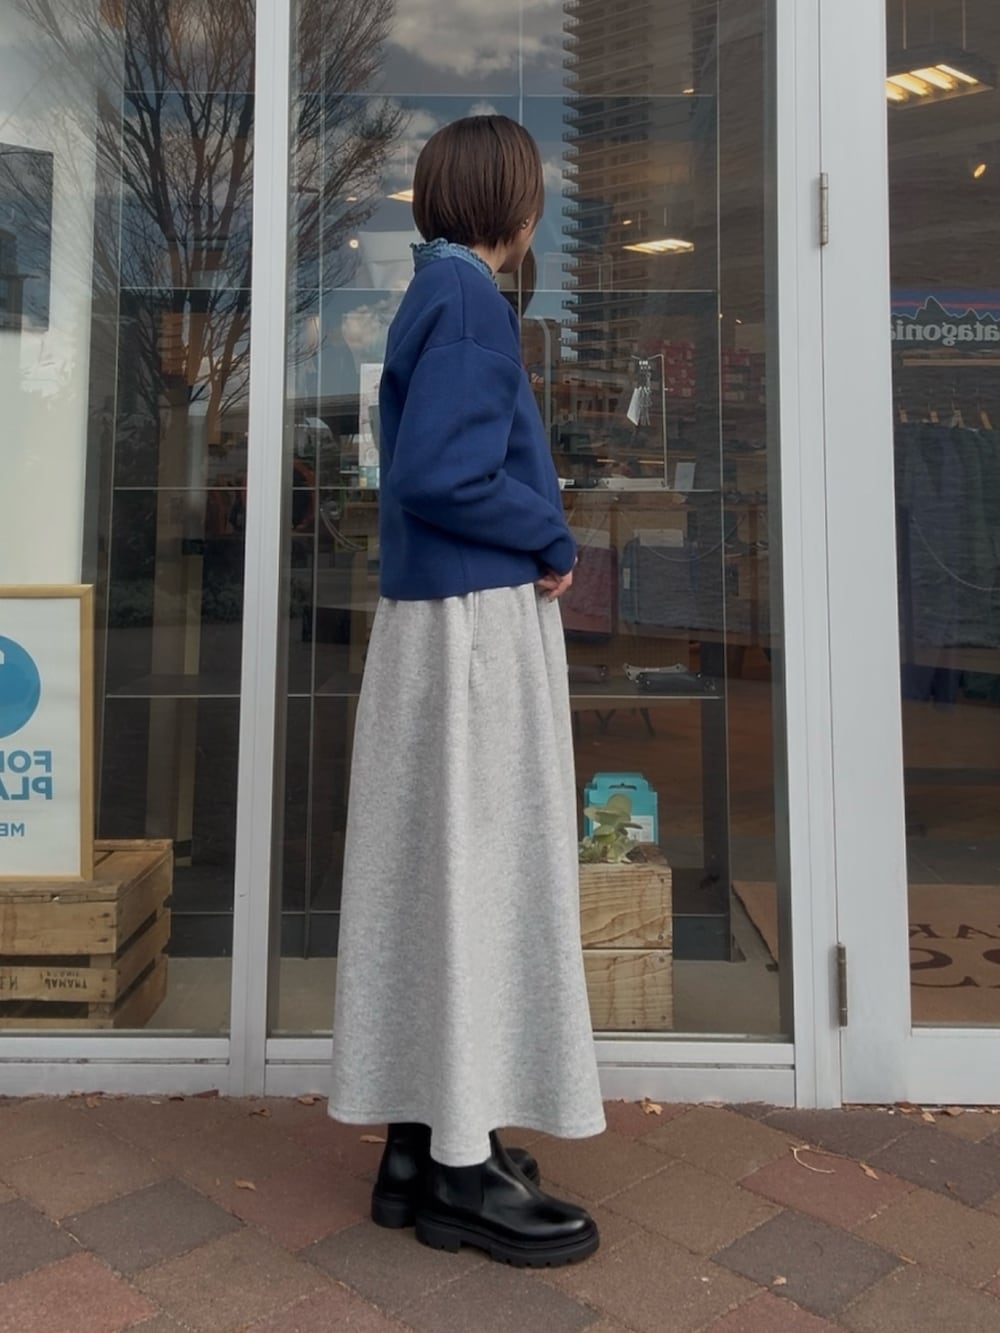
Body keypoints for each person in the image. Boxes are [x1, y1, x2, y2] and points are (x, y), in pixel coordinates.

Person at [328, 114, 605, 1268]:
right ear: (517, 206)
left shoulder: (434, 292)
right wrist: (548, 531)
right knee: (478, 877)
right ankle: (454, 1174)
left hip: (438, 623)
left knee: (444, 877)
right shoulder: (472, 301)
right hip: (471, 629)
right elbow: (443, 472)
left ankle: (425, 1144)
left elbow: (429, 466)